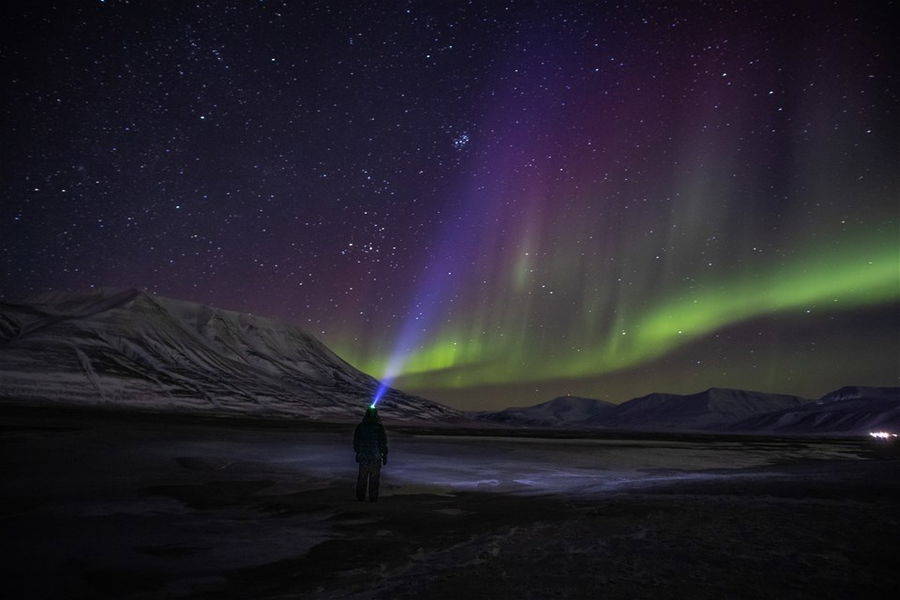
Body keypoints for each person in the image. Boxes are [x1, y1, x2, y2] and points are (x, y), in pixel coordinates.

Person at [353, 406, 388, 502]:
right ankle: (373, 498)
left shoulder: (361, 426)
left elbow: (356, 441)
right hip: (375, 456)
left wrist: (358, 452)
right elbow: (383, 442)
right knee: (374, 479)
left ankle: (361, 497)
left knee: (362, 478)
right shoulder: (378, 427)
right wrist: (384, 455)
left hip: (364, 456)